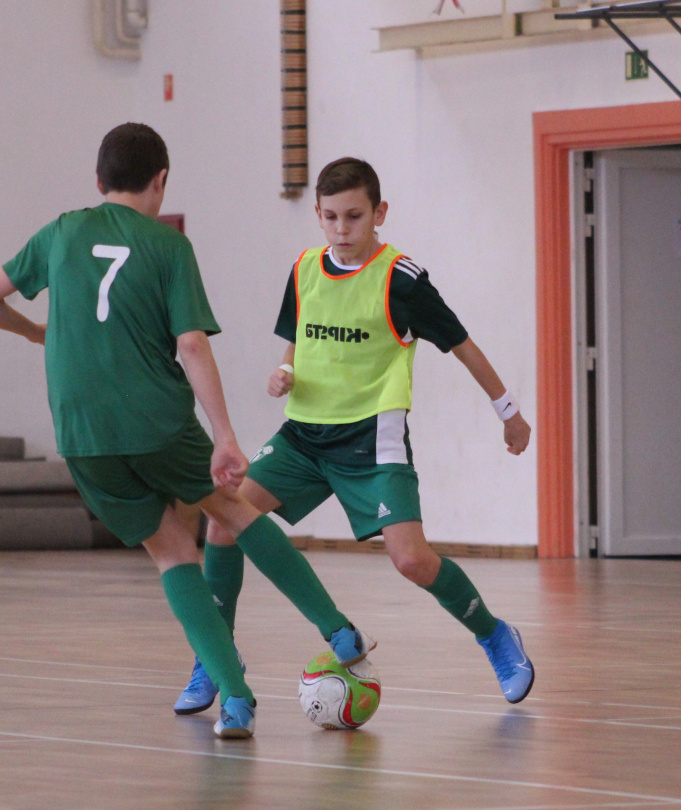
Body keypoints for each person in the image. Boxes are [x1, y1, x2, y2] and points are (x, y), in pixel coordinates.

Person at [0, 125, 375, 740]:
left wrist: (35, 333)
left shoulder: (60, 232)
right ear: (161, 181)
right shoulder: (168, 245)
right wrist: (225, 434)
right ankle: (337, 629)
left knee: (171, 552)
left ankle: (235, 702)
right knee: (232, 512)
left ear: (98, 181)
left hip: (82, 434)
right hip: (154, 420)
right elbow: (191, 345)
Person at [175, 156, 534, 715]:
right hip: (302, 437)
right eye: (330, 217)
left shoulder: (402, 280)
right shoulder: (304, 268)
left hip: (372, 442)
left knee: (412, 561)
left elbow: (462, 345)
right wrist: (285, 369)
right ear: (318, 215)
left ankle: (494, 633)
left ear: (379, 213)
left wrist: (508, 412)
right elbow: (300, 336)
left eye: (354, 216)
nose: (341, 229)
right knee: (223, 520)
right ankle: (215, 658)